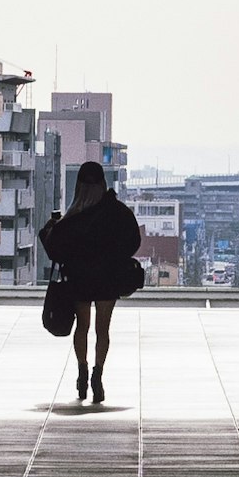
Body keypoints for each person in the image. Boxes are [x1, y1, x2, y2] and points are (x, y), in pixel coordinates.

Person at [54, 154, 144, 410]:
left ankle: (81, 372)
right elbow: (133, 241)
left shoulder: (74, 214)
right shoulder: (117, 211)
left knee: (82, 326)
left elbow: (57, 246)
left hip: (80, 277)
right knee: (103, 330)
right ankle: (98, 375)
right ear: (103, 183)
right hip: (108, 277)